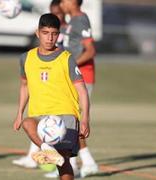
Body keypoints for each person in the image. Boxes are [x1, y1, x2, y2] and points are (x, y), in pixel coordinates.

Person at [12, 13, 90, 180]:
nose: (50, 38)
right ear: (37, 33)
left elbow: (82, 90)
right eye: (46, 33)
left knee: (63, 161)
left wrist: (85, 118)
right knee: (27, 123)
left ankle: (52, 154)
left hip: (66, 116)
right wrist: (19, 112)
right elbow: (24, 86)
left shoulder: (66, 59)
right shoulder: (26, 58)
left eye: (54, 34)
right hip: (41, 116)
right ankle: (47, 149)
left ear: (59, 34)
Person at [59, 0, 99, 178]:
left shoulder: (80, 19)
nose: (62, 3)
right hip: (72, 77)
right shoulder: (71, 21)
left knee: (73, 121)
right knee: (68, 120)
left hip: (82, 77)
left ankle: (87, 163)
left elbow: (90, 51)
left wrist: (71, 65)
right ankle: (72, 165)